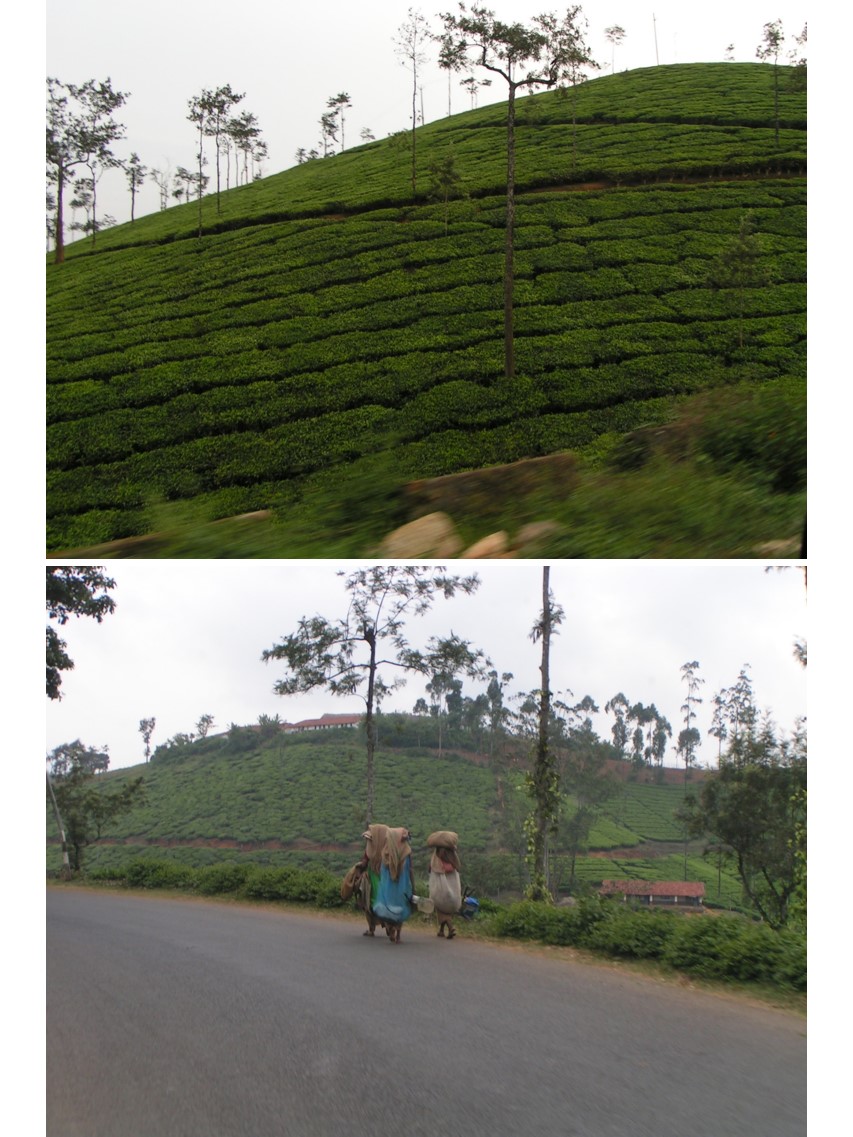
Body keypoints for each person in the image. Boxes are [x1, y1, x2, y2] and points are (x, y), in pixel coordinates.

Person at [372, 826, 414, 944]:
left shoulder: (385, 853)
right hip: (402, 888)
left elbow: (381, 872)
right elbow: (411, 870)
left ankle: (391, 929)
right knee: (401, 908)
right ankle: (398, 934)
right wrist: (413, 887)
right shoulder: (407, 852)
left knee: (389, 908)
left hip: (388, 888)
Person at [428, 836, 462, 940]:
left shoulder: (438, 858)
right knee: (445, 908)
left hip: (441, 888)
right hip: (452, 890)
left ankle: (450, 927)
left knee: (439, 905)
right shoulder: (453, 858)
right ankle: (441, 930)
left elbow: (431, 868)